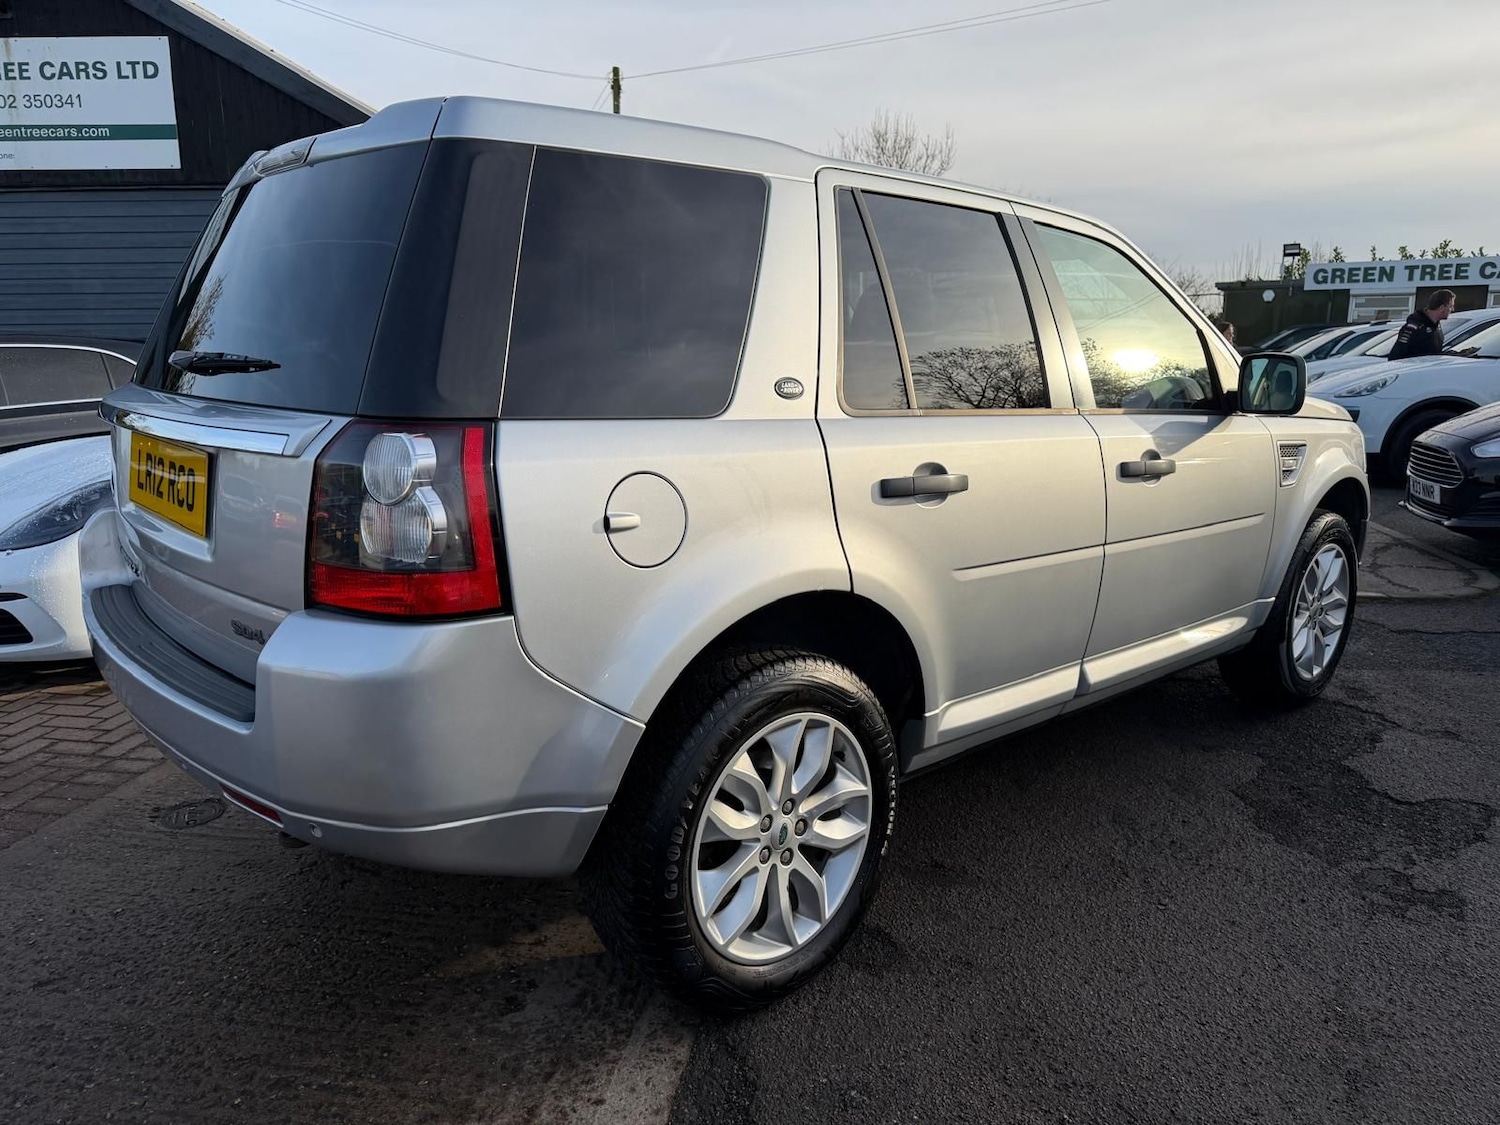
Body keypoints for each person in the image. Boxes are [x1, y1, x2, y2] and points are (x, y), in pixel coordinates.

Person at [1388, 289, 1455, 360]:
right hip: (1413, 369)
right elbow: (1396, 356)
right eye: (1450, 306)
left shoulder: (1436, 326)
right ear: (1441, 308)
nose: (1452, 309)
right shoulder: (1413, 327)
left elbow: (1433, 354)